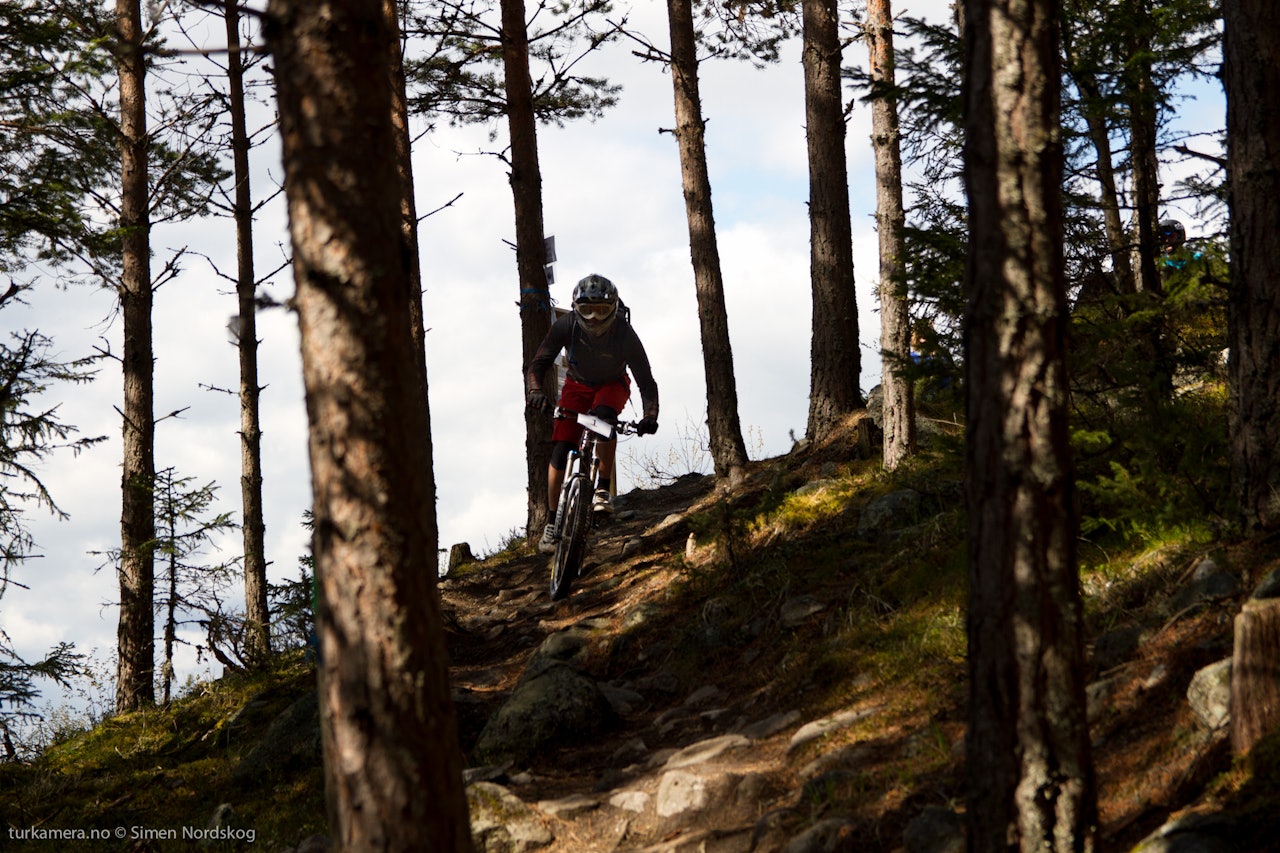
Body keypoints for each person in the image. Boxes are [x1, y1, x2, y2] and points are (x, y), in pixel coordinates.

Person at [526, 274, 659, 554]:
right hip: (577, 384)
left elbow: (646, 380)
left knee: (604, 419)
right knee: (561, 448)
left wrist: (650, 414)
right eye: (587, 310)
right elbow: (538, 364)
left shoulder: (624, 333)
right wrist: (536, 392)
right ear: (576, 308)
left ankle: (601, 487)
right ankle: (552, 523)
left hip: (613, 383)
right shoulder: (566, 325)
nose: (594, 318)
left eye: (601, 310)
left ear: (614, 309)